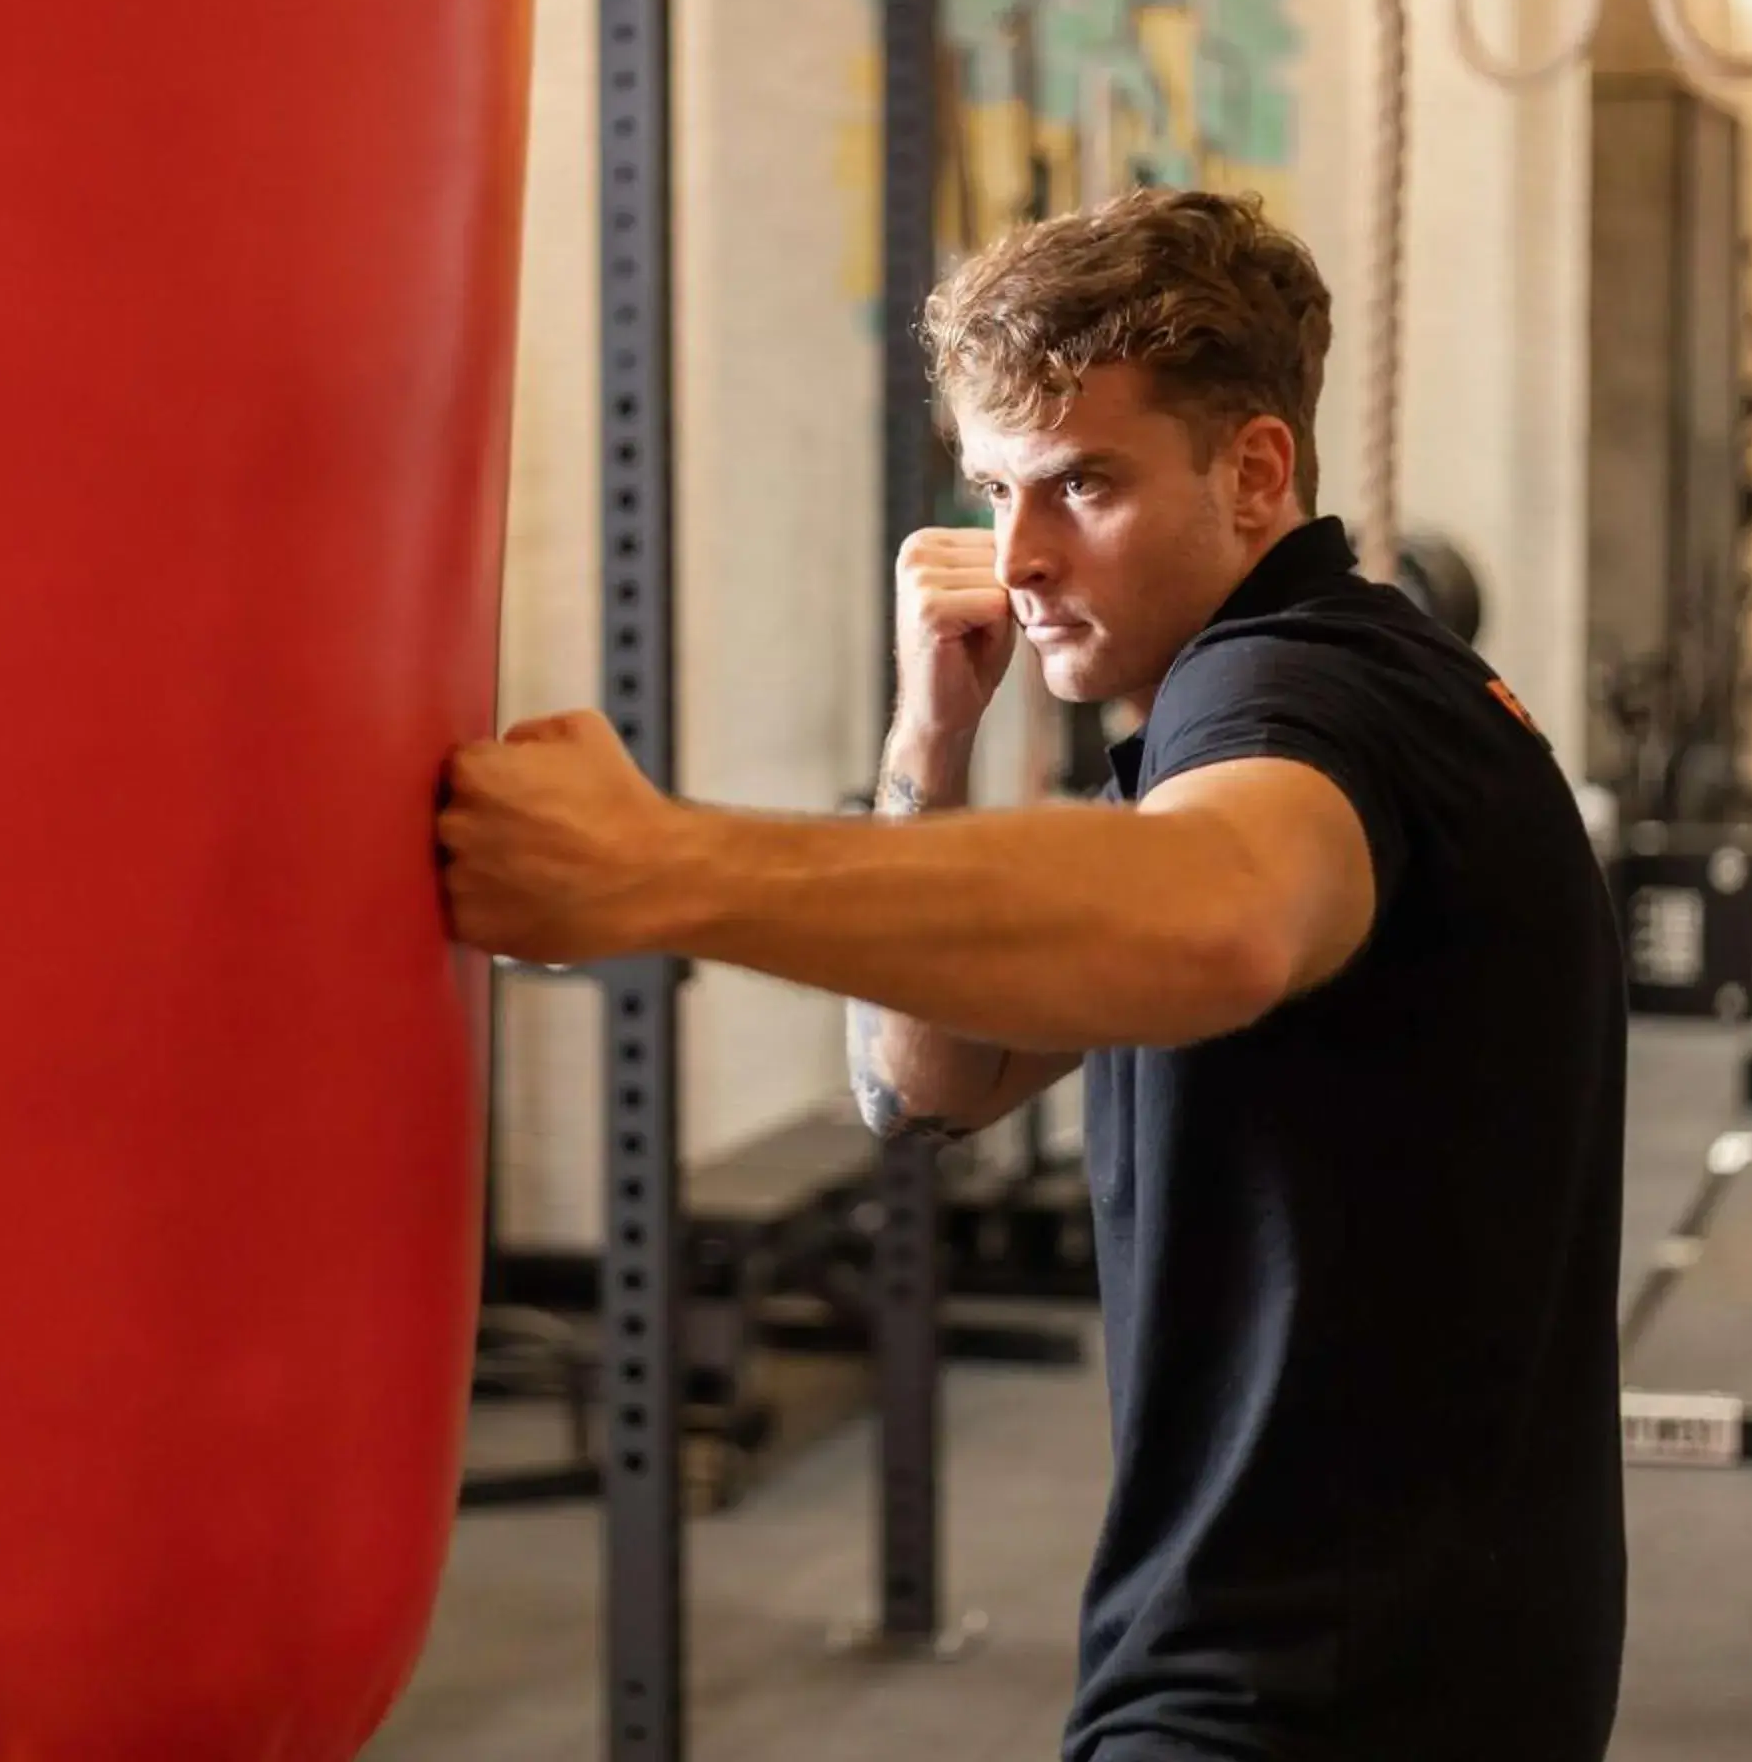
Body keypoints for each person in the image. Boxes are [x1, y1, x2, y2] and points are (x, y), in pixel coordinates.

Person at [437, 187, 1626, 1762]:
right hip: (1391, 1643)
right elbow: (927, 1086)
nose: (1020, 560)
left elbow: (1223, 913)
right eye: (992, 490)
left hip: (1315, 1687)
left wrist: (652, 867)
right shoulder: (1309, 686)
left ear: (1255, 470)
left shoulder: (1294, 698)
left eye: (1082, 486)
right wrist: (926, 746)